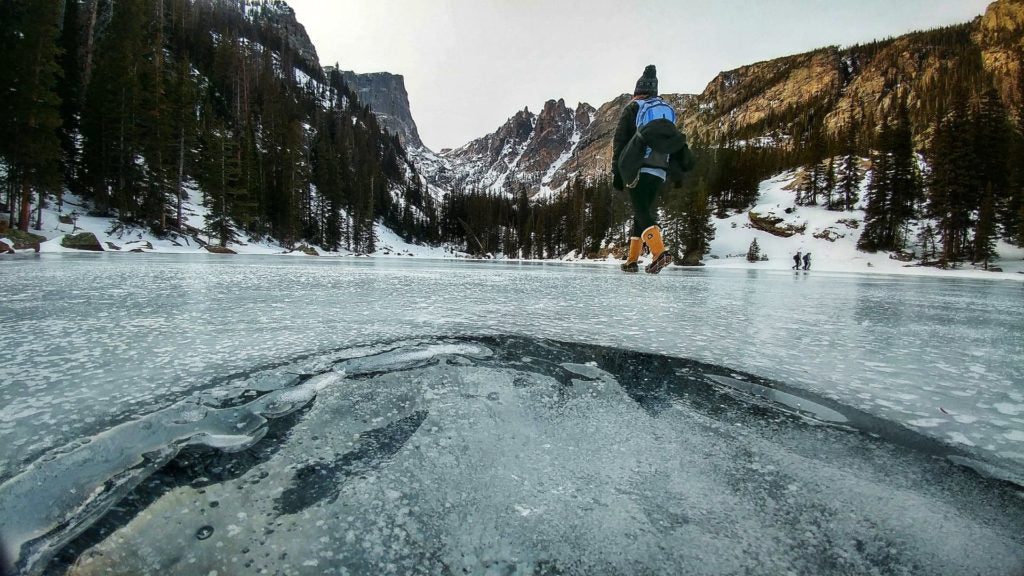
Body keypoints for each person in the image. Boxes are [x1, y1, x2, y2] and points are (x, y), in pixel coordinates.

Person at [612, 65, 693, 274]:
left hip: (638, 164)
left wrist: (618, 173)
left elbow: (620, 141)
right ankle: (631, 260)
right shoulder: (666, 110)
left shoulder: (634, 108)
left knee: (641, 210)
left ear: (637, 91)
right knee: (642, 212)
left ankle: (659, 252)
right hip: (660, 169)